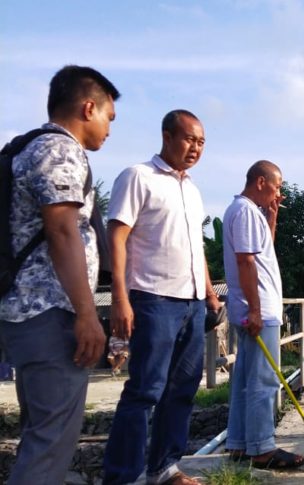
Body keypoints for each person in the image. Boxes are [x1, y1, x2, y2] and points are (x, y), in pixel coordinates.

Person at [0, 65, 119, 485]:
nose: (109, 129)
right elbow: (63, 231)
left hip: (26, 311)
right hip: (49, 312)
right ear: (88, 108)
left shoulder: (27, 147)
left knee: (40, 435)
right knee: (51, 444)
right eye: (108, 117)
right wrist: (87, 314)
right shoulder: (59, 150)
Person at [102, 110, 222, 485]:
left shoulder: (192, 190)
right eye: (189, 139)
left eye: (201, 142)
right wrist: (120, 297)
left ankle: (164, 468)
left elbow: (196, 246)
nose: (195, 148)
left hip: (192, 302)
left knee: (182, 390)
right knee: (145, 391)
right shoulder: (138, 176)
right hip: (153, 299)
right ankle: (123, 476)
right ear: (167, 136)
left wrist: (210, 294)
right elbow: (116, 236)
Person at [223, 160, 304, 469]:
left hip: (252, 308)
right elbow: (245, 262)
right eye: (277, 186)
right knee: (263, 380)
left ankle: (239, 444)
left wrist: (271, 219)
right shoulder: (245, 211)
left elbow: (263, 252)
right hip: (258, 311)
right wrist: (256, 310)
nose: (278, 193)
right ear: (261, 182)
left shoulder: (246, 211)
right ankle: (261, 448)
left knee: (246, 379)